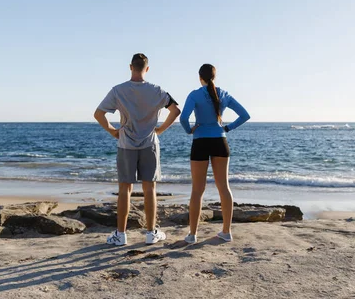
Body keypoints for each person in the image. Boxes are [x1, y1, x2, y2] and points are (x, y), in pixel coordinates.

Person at [94, 53, 180, 246]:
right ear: (147, 69)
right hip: (150, 143)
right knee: (150, 189)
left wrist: (113, 131)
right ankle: (150, 233)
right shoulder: (157, 90)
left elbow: (98, 114)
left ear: (130, 67)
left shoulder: (118, 90)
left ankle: (121, 234)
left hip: (126, 144)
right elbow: (175, 110)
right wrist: (160, 130)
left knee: (125, 189)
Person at [180, 63, 250, 244]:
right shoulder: (224, 94)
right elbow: (244, 115)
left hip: (200, 142)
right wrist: (227, 127)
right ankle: (226, 232)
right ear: (215, 76)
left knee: (197, 190)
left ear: (199, 77)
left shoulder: (194, 94)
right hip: (220, 141)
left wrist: (190, 130)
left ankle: (192, 235)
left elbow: (183, 118)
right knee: (224, 188)